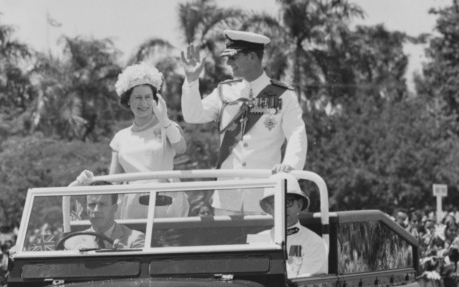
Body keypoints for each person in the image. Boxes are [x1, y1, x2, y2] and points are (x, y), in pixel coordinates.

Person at [180, 30, 307, 214]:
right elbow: (192, 115)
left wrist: (289, 168)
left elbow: (297, 134)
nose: (229, 63)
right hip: (226, 199)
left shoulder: (284, 95)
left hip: (265, 198)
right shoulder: (224, 91)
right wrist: (191, 80)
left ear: (253, 56)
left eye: (234, 57)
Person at [107, 63, 189, 218]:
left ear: (155, 100)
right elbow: (114, 180)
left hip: (165, 201)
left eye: (148, 97)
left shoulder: (168, 127)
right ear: (128, 101)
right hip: (132, 203)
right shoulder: (120, 137)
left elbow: (181, 148)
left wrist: (164, 121)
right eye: (137, 97)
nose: (143, 103)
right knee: (135, 241)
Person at [247, 175, 326, 278]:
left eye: (288, 202)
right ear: (269, 209)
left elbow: (306, 286)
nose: (282, 208)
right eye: (276, 203)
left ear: (299, 205)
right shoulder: (257, 241)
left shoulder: (314, 243)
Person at [65, 183, 145, 250]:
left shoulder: (135, 239)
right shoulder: (72, 242)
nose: (96, 210)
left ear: (115, 208)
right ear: (86, 208)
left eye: (102, 204)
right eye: (92, 205)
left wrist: (126, 257)